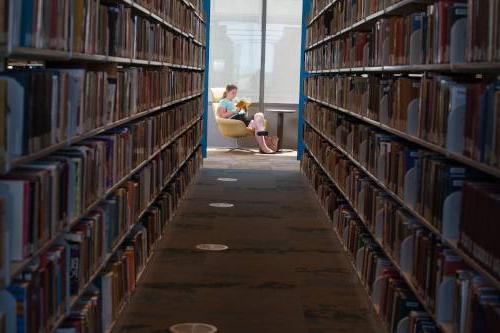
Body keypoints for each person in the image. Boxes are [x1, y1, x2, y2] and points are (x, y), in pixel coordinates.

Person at [217, 84, 274, 154]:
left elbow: (243, 114)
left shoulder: (236, 101)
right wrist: (235, 111)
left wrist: (245, 108)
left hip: (243, 118)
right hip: (235, 119)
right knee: (259, 125)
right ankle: (264, 146)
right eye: (233, 93)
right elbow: (222, 115)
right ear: (227, 92)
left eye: (235, 93)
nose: (234, 95)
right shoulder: (223, 102)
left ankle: (255, 128)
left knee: (259, 115)